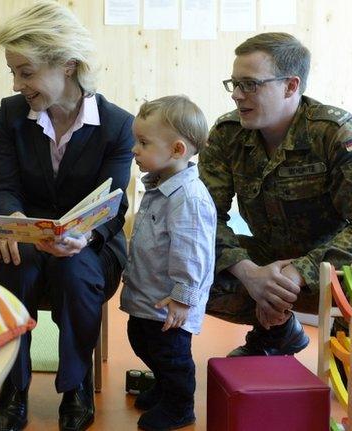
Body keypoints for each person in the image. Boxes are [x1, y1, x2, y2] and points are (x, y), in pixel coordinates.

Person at [199, 32, 352, 406]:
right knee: (174, 264)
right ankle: (275, 334)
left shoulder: (338, 135)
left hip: (342, 267)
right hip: (268, 262)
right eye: (234, 83)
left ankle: (349, 349)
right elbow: (202, 219)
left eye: (249, 85)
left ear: (291, 86)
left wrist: (299, 271)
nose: (237, 95)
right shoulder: (228, 135)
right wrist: (248, 272)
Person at [0, 2, 134, 430]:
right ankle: (14, 386)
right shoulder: (10, 115)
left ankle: (76, 385)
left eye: (26, 72)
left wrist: (84, 237)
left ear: (67, 65)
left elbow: (114, 203)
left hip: (92, 245)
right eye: (13, 72)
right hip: (27, 238)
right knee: (16, 265)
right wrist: (11, 215)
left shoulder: (117, 125)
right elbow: (3, 184)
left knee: (74, 271)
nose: (17, 83)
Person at [120, 95, 216, 431]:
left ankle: (179, 407)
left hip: (169, 302)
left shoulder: (188, 197)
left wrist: (182, 297)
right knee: (142, 339)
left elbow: (193, 252)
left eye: (143, 143)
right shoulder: (161, 187)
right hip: (149, 294)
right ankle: (163, 388)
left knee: (171, 356)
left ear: (177, 150)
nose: (134, 149)